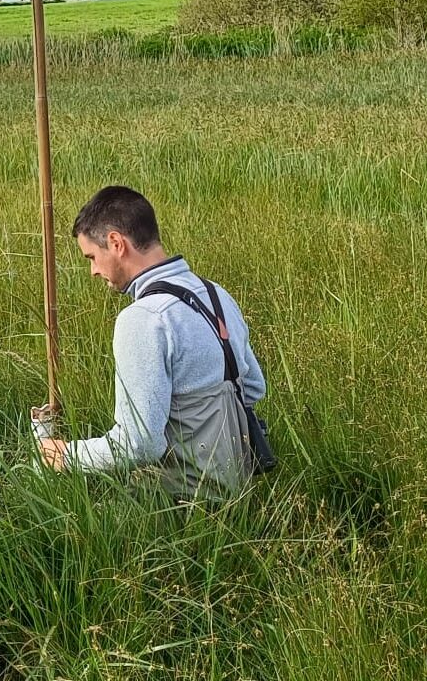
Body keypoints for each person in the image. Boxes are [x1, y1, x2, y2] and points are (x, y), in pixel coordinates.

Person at [32, 186, 266, 502]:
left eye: (92, 257)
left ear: (116, 243)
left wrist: (68, 456)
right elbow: (252, 388)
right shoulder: (216, 295)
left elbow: (139, 444)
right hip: (240, 492)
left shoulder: (144, 319)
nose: (93, 271)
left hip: (179, 505)